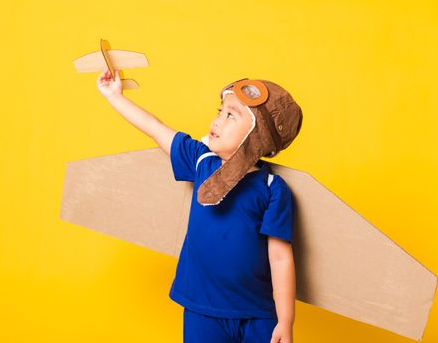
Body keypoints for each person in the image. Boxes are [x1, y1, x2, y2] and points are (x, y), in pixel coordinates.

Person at [97, 69, 303, 343]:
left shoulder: (271, 188)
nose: (217, 120)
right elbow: (155, 128)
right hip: (201, 308)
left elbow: (280, 258)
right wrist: (115, 96)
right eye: (220, 111)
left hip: (257, 312)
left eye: (231, 115)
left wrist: (286, 320)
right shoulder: (201, 161)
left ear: (258, 135)